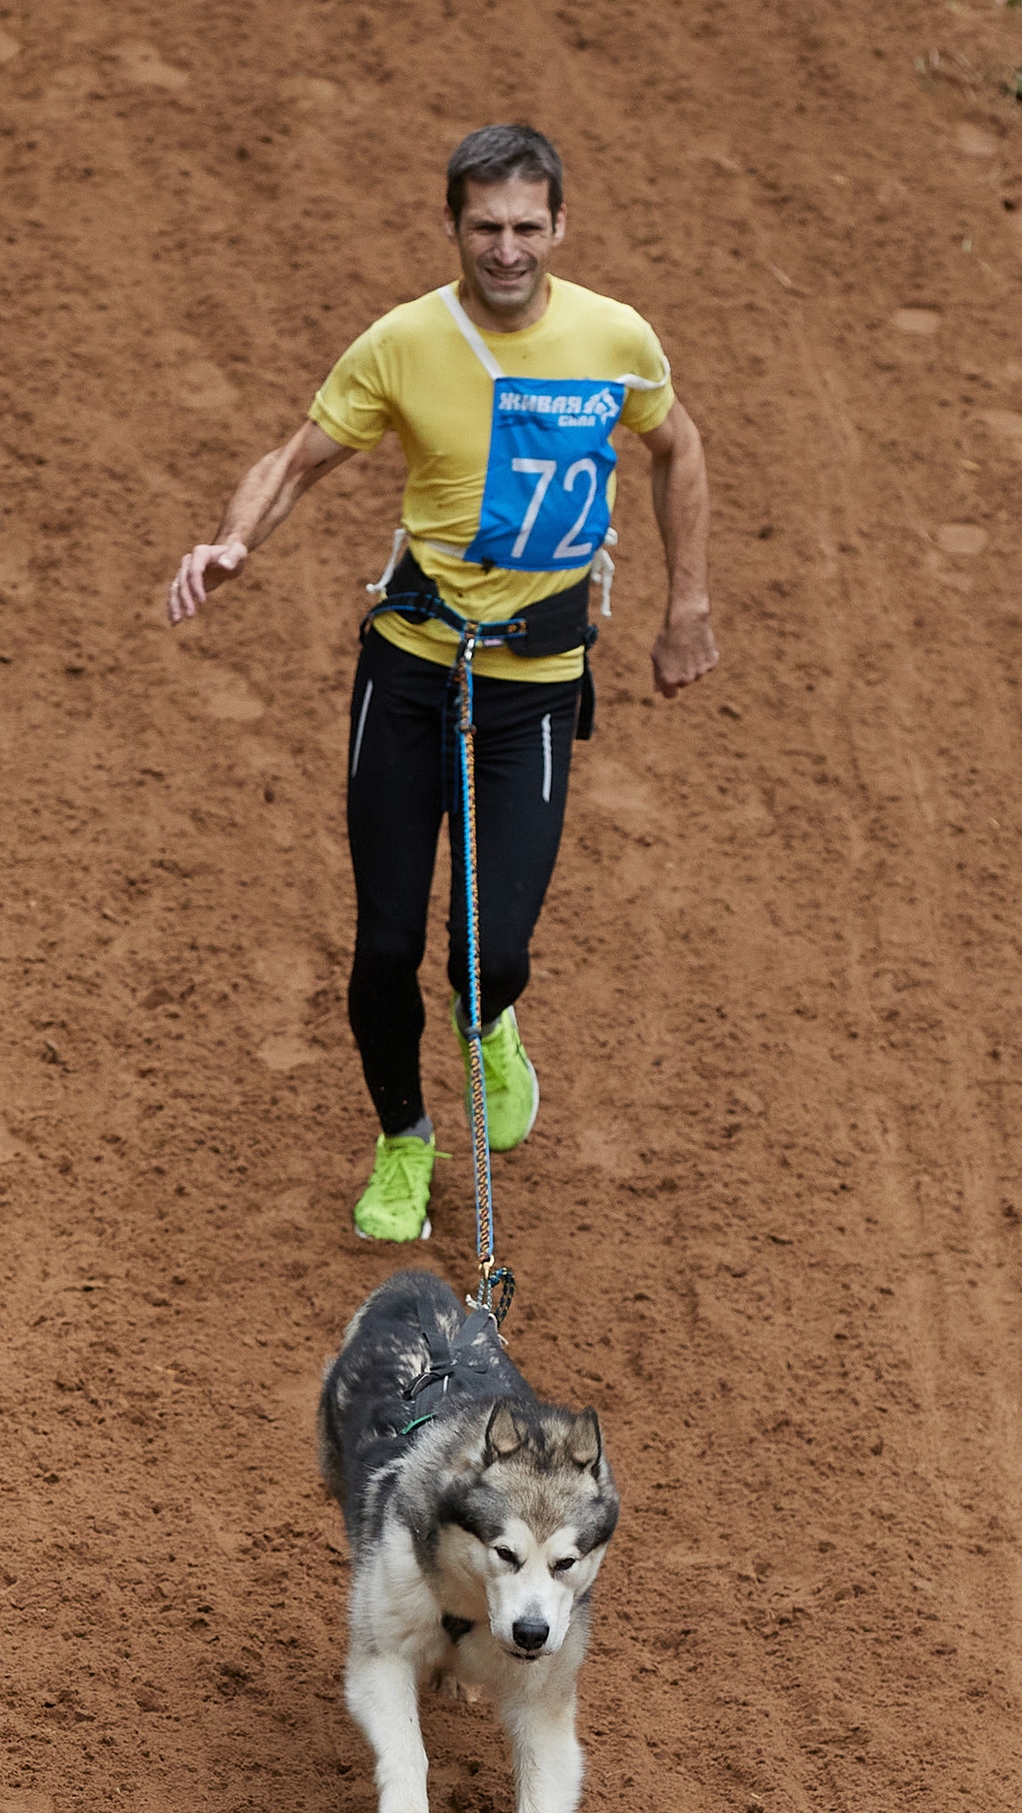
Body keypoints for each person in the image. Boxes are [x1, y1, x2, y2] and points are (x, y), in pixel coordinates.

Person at [167, 122, 718, 1244]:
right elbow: (298, 458)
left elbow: (679, 450)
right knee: (384, 944)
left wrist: (687, 607)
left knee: (488, 955)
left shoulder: (614, 337)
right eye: (485, 228)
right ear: (453, 227)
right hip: (413, 670)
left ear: (559, 226)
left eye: (527, 227)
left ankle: (491, 1023)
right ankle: (405, 1140)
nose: (506, 249)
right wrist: (235, 541)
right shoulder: (404, 341)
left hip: (536, 682)